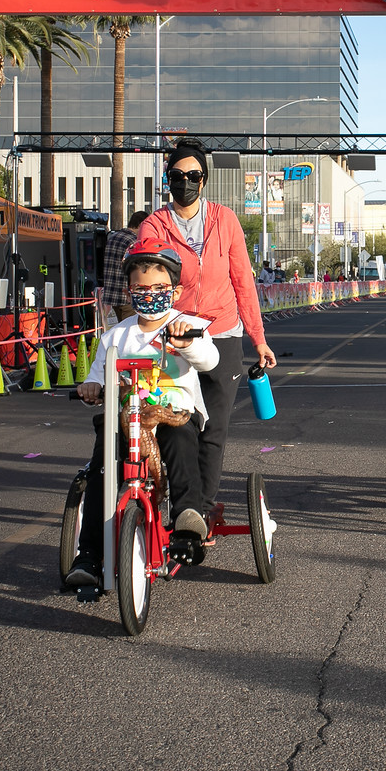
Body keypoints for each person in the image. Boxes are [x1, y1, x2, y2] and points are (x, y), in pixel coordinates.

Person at [136, 140, 276, 520]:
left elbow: (243, 282)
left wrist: (258, 339)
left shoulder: (225, 219)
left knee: (213, 430)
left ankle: (201, 511)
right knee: (181, 424)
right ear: (167, 180)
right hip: (175, 337)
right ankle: (183, 501)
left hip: (223, 333)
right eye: (177, 176)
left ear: (205, 179)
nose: (185, 183)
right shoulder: (154, 225)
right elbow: (146, 280)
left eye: (193, 176)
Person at [64, 242, 219, 585]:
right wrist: (91, 388)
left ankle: (187, 520)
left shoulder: (188, 325)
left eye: (160, 289)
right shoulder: (117, 335)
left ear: (175, 291)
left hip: (175, 414)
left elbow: (210, 360)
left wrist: (187, 344)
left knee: (181, 445)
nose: (151, 296)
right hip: (127, 417)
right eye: (141, 289)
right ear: (129, 291)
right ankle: (88, 555)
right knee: (103, 467)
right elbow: (97, 376)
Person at [101, 210, 146, 323]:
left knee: (117, 331)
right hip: (127, 296)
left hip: (111, 294)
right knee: (130, 329)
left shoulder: (113, 237)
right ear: (141, 225)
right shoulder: (133, 241)